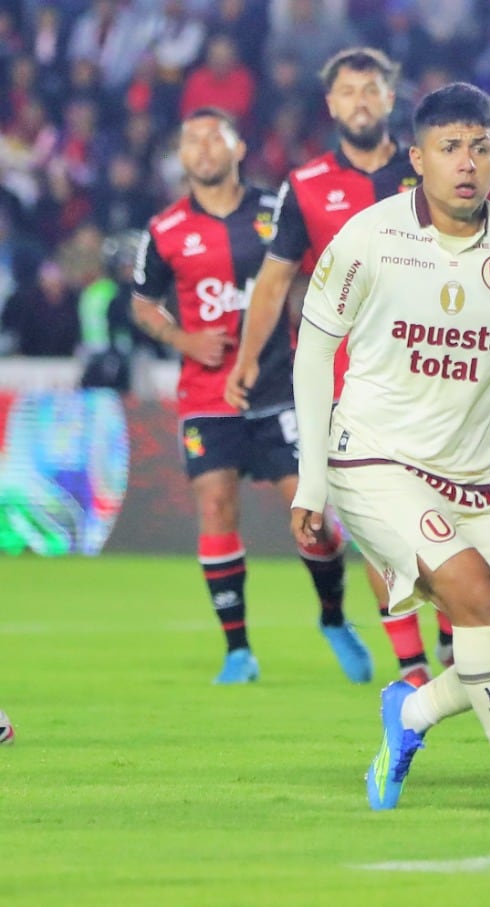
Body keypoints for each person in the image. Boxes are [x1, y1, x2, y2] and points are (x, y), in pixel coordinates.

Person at [289, 82, 490, 823]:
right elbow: (312, 352)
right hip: (372, 461)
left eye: (481, 147)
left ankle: (414, 711)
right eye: (450, 147)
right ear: (418, 158)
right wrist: (311, 478)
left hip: (473, 479)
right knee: (474, 597)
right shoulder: (369, 237)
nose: (466, 163)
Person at [226, 46, 452, 686]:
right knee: (375, 522)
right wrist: (247, 360)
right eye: (348, 91)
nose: (359, 100)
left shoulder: (427, 174)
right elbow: (273, 283)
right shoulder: (305, 187)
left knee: (441, 510)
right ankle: (411, 666)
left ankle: (449, 634)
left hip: (429, 368)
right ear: (331, 104)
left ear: (390, 98)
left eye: (371, 89)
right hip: (342, 381)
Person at [130, 107, 372, 686]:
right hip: (207, 396)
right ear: (181, 157)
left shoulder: (276, 212)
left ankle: (334, 617)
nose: (204, 148)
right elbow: (142, 303)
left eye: (215, 137)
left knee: (313, 517)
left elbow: (321, 268)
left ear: (238, 149)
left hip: (281, 388)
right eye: (192, 139)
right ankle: (238, 650)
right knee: (214, 506)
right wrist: (182, 336)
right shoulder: (164, 230)